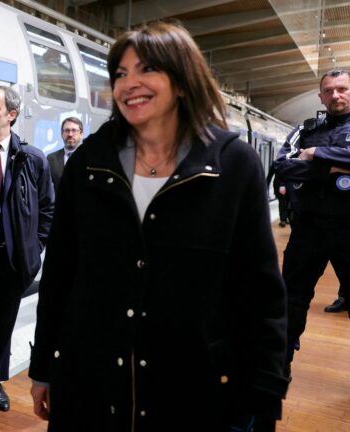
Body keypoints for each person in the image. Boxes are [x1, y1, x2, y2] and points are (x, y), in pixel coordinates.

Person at [29, 22, 288, 431]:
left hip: (193, 390)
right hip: (91, 384)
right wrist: (43, 367)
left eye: (146, 69)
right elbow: (60, 274)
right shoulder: (89, 164)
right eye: (120, 74)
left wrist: (266, 392)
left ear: (183, 81)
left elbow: (260, 290)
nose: (129, 83)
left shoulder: (232, 165)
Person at [0, 85, 54, 429]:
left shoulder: (31, 158)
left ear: (11, 115)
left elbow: (47, 208)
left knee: (3, 328)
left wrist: (35, 249)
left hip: (16, 263)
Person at [274, 69, 350, 374]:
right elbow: (282, 166)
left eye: (342, 89)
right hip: (308, 229)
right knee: (291, 299)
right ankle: (280, 365)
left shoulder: (311, 142)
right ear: (321, 96)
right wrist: (333, 169)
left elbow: (301, 164)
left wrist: (316, 153)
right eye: (329, 91)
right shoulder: (303, 130)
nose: (336, 95)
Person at [47, 117, 83, 196]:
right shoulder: (50, 159)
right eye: (67, 130)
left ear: (81, 134)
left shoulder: (89, 159)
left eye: (74, 130)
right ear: (62, 134)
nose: (70, 134)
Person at [266, 161, 290, 227]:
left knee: (283, 202)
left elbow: (269, 176)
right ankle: (284, 219)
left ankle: (283, 219)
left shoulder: (276, 162)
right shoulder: (289, 162)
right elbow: (270, 176)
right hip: (286, 184)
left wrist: (266, 186)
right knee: (285, 201)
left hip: (279, 184)